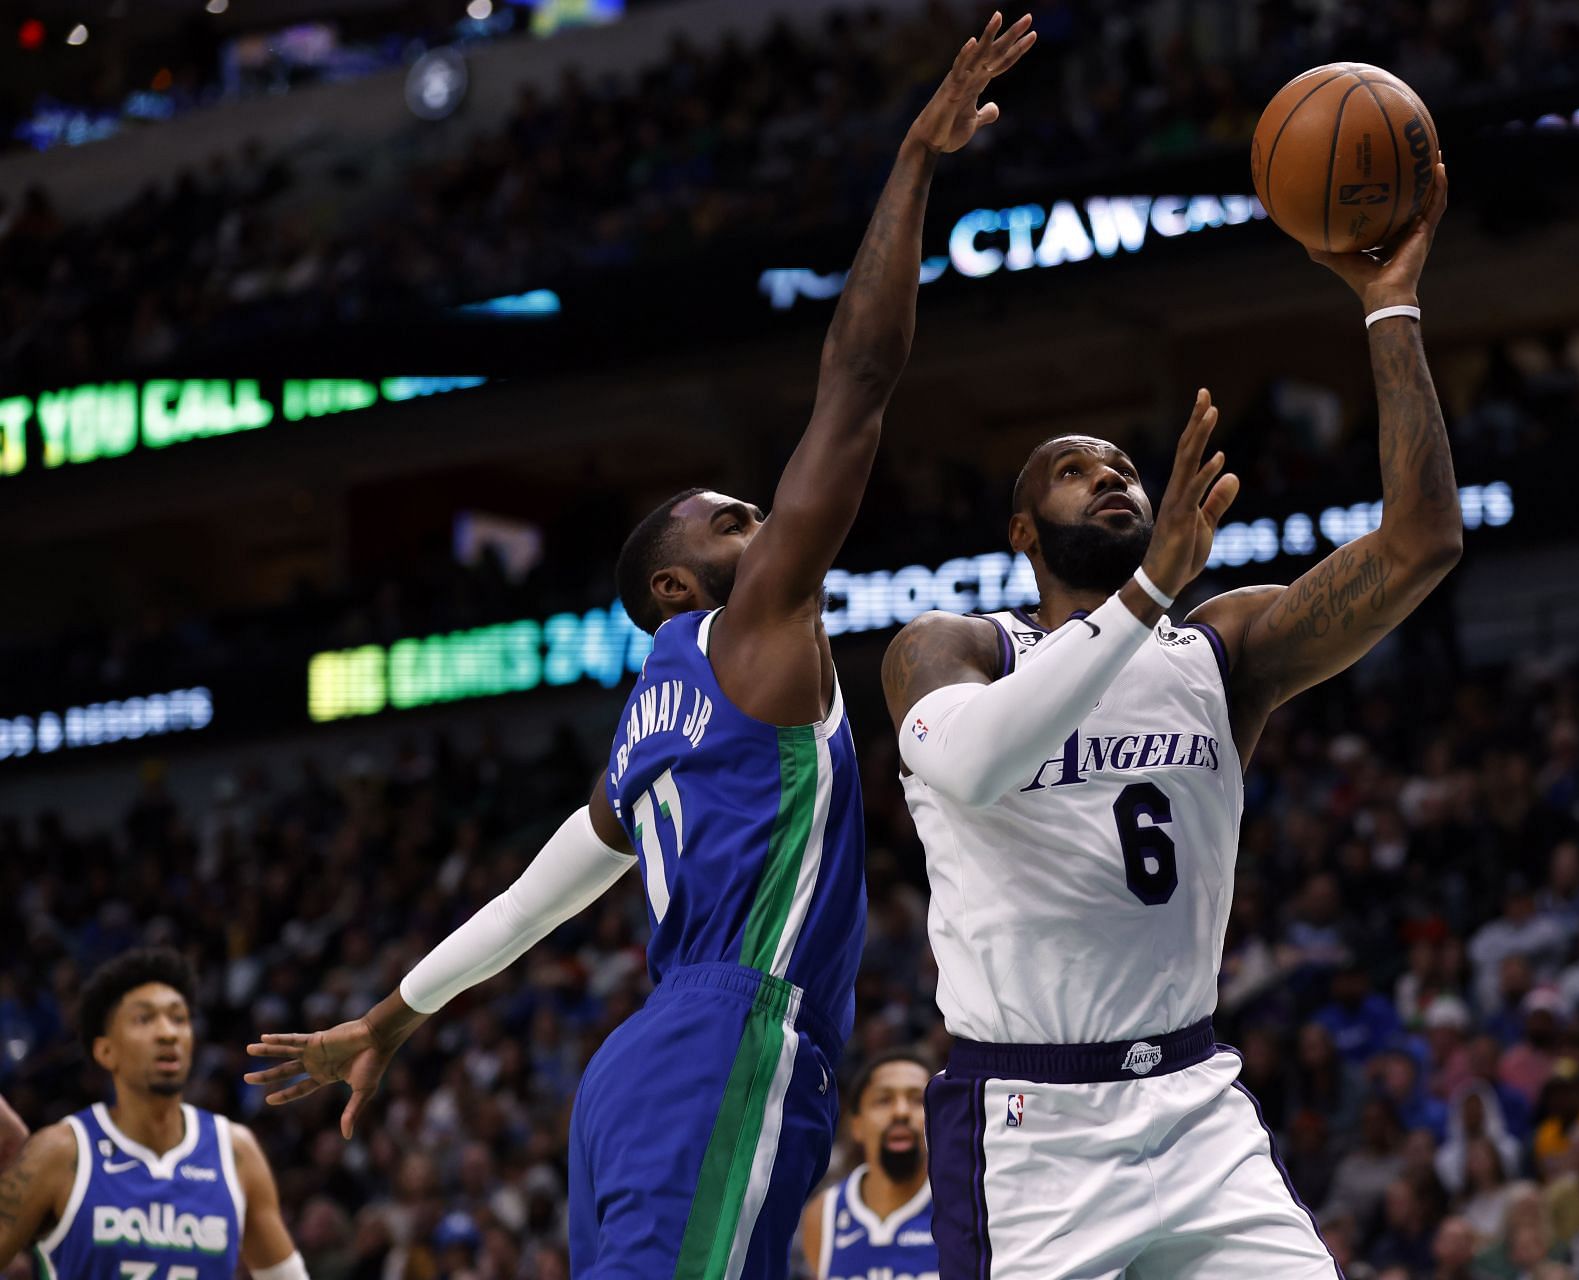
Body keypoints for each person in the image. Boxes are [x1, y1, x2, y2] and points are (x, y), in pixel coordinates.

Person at [240, 18, 1037, 1280]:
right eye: (733, 518)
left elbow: (526, 903)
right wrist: (914, 164)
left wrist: (393, 1017)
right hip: (732, 1033)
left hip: (633, 1074)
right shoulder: (747, 628)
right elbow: (859, 376)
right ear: (678, 580)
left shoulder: (639, 738)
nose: (763, 519)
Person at [883, 163, 1461, 1274]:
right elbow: (969, 764)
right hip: (1029, 1124)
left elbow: (1422, 541)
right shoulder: (954, 647)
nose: (1107, 475)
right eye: (1071, 469)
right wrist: (1146, 590)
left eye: (1124, 467)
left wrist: (1388, 305)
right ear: (1020, 529)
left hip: (1196, 1102)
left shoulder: (1220, 649)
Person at [0, 949, 303, 1280]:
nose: (167, 1033)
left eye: (178, 1018)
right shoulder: (59, 1152)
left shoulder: (236, 1152)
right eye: (144, 1019)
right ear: (105, 1050)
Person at [798, 1051, 937, 1280]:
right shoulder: (823, 1213)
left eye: (917, 1100)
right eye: (884, 1100)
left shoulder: (965, 1207)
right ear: (857, 1125)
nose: (900, 1112)